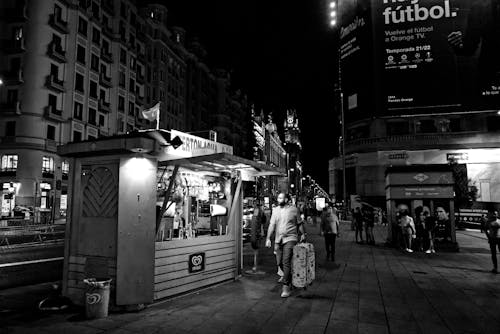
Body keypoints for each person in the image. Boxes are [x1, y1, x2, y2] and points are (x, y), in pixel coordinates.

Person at [447, 0, 500, 106]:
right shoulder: (479, 8)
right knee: (492, 116)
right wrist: (457, 43)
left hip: (490, 73)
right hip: (491, 74)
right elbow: (469, 49)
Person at [265, 193, 306, 298]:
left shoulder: (294, 209)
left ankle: (286, 287)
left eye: (281, 198)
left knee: (286, 261)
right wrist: (268, 238)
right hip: (278, 239)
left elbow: (299, 223)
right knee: (280, 263)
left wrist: (303, 234)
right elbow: (272, 225)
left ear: (287, 199)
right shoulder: (275, 210)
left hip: (290, 238)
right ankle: (290, 278)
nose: (279, 199)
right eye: (278, 197)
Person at [250, 201, 266, 272]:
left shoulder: (257, 211)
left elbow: (256, 222)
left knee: (256, 248)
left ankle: (255, 266)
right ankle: (255, 265)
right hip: (257, 232)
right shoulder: (260, 211)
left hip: (257, 233)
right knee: (256, 249)